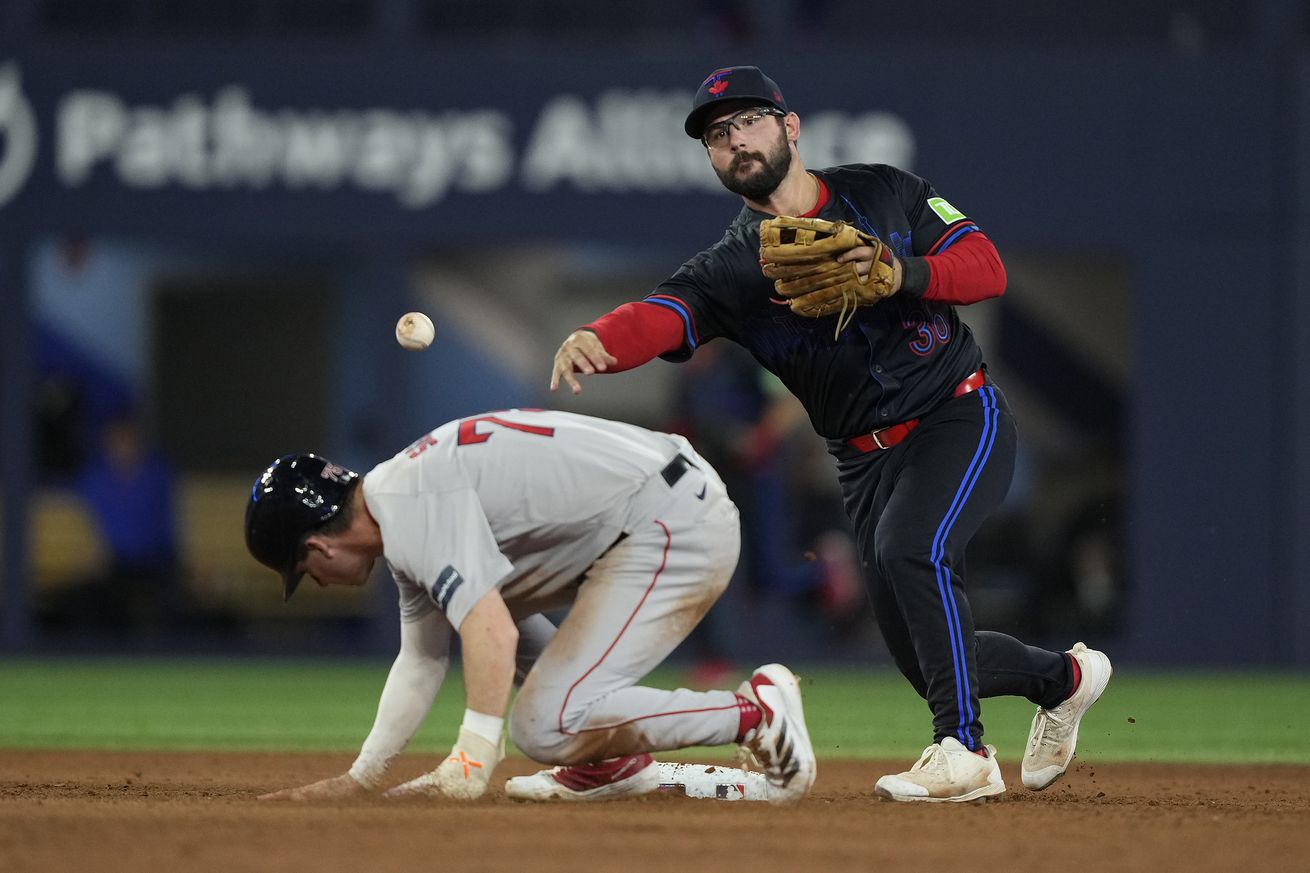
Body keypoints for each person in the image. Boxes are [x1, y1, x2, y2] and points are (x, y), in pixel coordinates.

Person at [548, 65, 1112, 803]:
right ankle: (1065, 680)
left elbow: (987, 268)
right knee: (924, 656)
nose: (733, 141)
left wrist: (901, 272)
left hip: (957, 412)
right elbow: (664, 314)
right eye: (717, 136)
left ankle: (964, 752)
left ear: (790, 126)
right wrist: (597, 335)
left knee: (914, 549)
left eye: (747, 121)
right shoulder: (733, 268)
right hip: (861, 458)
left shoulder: (882, 190)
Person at [244, 407, 816, 804]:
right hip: (657, 504)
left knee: (542, 726)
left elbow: (491, 631)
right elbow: (421, 662)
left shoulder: (409, 505)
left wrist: (472, 756)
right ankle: (607, 763)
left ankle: (756, 714)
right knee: (488, 623)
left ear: (317, 545)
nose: (316, 582)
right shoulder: (400, 504)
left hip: (670, 521)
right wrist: (364, 777)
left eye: (304, 572)